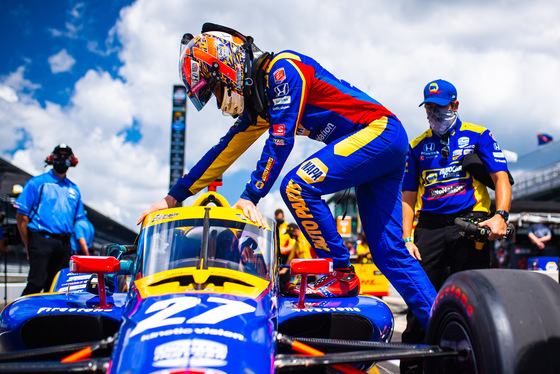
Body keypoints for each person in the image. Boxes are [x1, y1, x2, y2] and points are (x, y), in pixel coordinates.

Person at [138, 23, 436, 329]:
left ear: (225, 66)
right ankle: (444, 326)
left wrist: (250, 195)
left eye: (214, 89)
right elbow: (221, 153)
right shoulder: (259, 107)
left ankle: (338, 274)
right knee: (388, 252)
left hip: (379, 131)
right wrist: (171, 197)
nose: (218, 101)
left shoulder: (282, 69)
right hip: (383, 143)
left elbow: (281, 140)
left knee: (296, 186)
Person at [400, 79, 512, 374]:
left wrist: (500, 215)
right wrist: (406, 237)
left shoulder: (479, 135)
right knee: (419, 303)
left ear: (455, 105)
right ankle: (413, 368)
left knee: (472, 299)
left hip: (470, 221)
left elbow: (501, 178)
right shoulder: (416, 146)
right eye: (429, 109)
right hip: (429, 227)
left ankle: (475, 362)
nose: (434, 115)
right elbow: (408, 197)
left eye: (439, 108)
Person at [14, 144, 85, 296]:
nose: (62, 159)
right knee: (36, 282)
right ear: (52, 158)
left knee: (57, 286)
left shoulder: (74, 189)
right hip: (41, 240)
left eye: (66, 155)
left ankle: (50, 318)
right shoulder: (37, 183)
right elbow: (21, 216)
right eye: (59, 155)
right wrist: (29, 245)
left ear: (72, 161)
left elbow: (76, 219)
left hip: (64, 244)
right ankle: (22, 316)